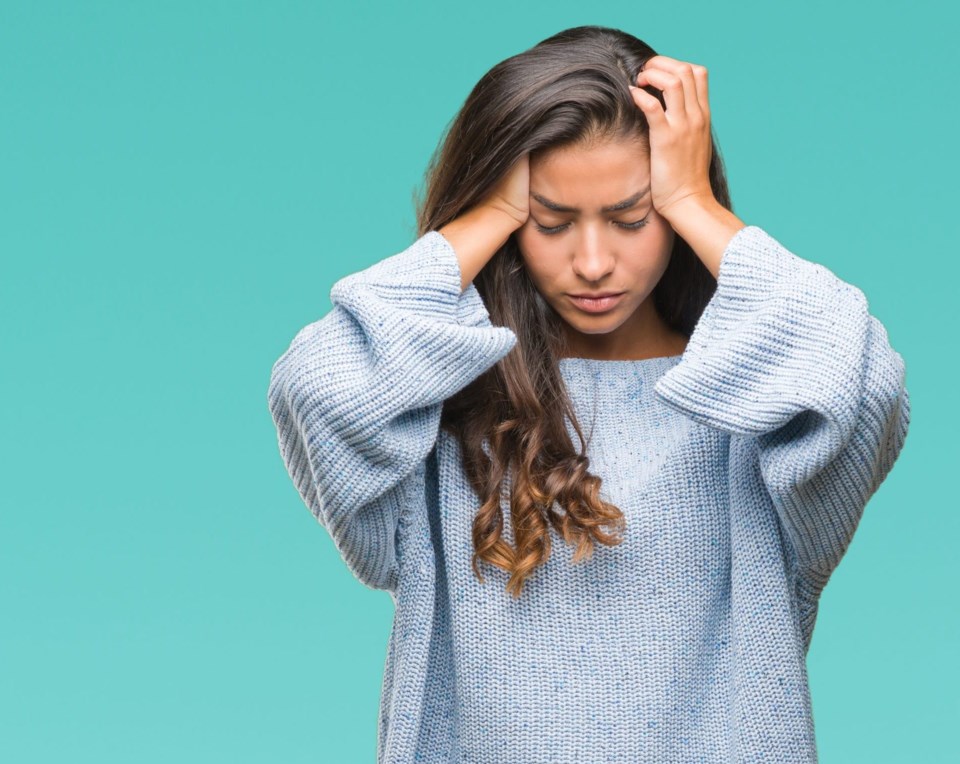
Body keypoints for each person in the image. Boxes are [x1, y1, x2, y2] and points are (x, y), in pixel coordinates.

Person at [266, 25, 911, 764]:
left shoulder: (754, 405)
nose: (594, 262)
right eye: (551, 221)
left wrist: (694, 200)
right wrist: (487, 216)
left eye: (633, 217)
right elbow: (314, 388)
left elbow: (865, 386)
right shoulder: (443, 406)